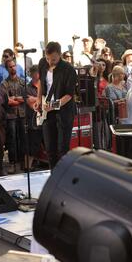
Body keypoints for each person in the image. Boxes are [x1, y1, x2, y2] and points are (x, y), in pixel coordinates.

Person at [35, 41, 77, 170]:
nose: (50, 62)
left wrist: (53, 105)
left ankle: (63, 178)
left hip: (64, 112)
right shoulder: (42, 63)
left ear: (59, 55)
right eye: (47, 58)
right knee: (50, 148)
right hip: (47, 112)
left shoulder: (68, 69)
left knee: (62, 149)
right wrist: (38, 100)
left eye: (53, 59)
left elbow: (69, 95)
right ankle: (53, 176)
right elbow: (41, 83)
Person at [0, 59, 27, 174]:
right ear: (7, 69)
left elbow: (26, 97)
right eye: (10, 67)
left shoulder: (22, 82)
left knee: (23, 138)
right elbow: (7, 101)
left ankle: (22, 162)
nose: (13, 68)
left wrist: (16, 99)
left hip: (22, 114)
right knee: (11, 140)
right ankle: (12, 163)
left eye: (14, 66)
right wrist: (18, 99)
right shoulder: (4, 84)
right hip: (10, 115)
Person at [24, 65, 43, 171]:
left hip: (46, 120)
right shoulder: (27, 88)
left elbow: (48, 101)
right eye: (35, 72)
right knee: (32, 146)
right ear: (31, 74)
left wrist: (36, 98)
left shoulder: (45, 86)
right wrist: (40, 100)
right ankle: (27, 168)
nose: (37, 75)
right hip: (33, 121)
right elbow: (31, 104)